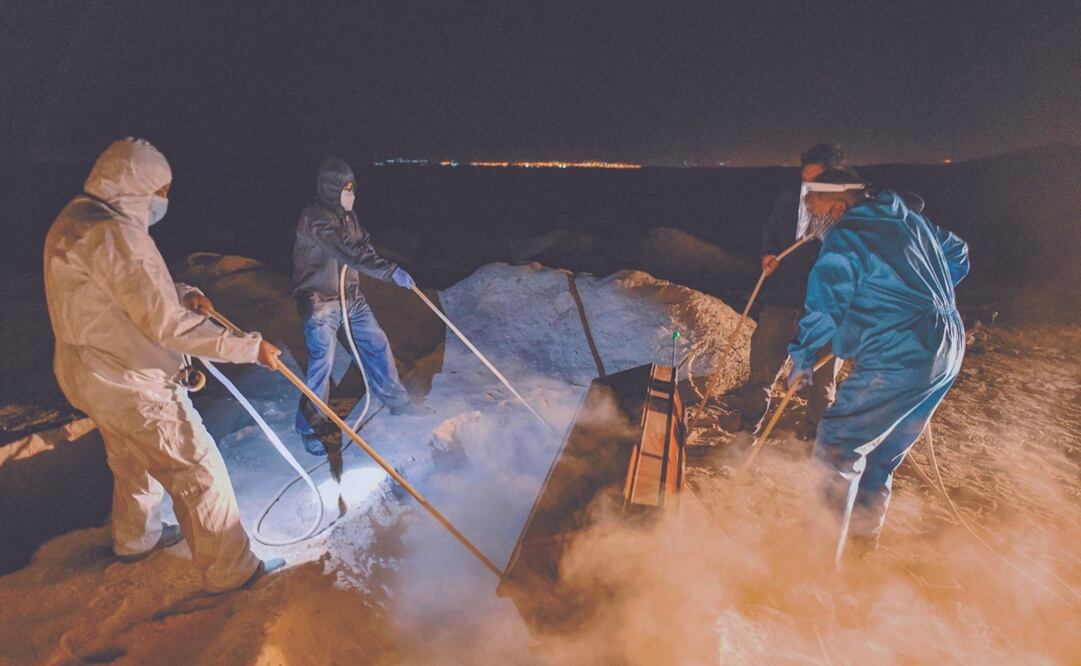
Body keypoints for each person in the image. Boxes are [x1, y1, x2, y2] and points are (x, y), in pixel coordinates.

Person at [43, 138, 284, 592]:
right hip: (132, 383)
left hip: (89, 375)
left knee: (131, 461)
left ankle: (135, 541)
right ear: (136, 184)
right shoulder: (119, 235)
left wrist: (181, 290)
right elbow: (169, 327)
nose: (164, 201)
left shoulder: (78, 219)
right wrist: (249, 348)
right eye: (162, 189)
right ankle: (232, 572)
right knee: (196, 469)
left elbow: (122, 288)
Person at [786, 169, 968, 564]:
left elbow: (824, 307)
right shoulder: (907, 217)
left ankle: (814, 566)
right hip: (948, 344)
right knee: (881, 453)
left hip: (900, 349)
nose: (813, 216)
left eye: (814, 208)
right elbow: (958, 252)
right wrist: (924, 296)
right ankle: (859, 553)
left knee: (839, 443)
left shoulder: (847, 233)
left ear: (837, 206)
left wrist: (802, 360)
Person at [292, 157, 423, 455]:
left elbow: (362, 245)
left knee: (377, 344)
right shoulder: (315, 217)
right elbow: (347, 252)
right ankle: (310, 427)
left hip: (351, 298)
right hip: (320, 300)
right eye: (345, 187)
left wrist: (382, 260)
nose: (350, 192)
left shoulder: (348, 215)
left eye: (352, 186)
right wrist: (389, 272)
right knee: (321, 365)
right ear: (330, 187)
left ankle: (398, 402)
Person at [731, 143, 845, 437]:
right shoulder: (790, 197)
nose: (808, 186)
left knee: (824, 380)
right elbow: (772, 232)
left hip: (827, 307)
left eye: (816, 179)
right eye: (804, 178)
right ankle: (748, 428)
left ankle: (812, 437)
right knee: (762, 368)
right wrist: (768, 254)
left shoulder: (849, 210)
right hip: (782, 298)